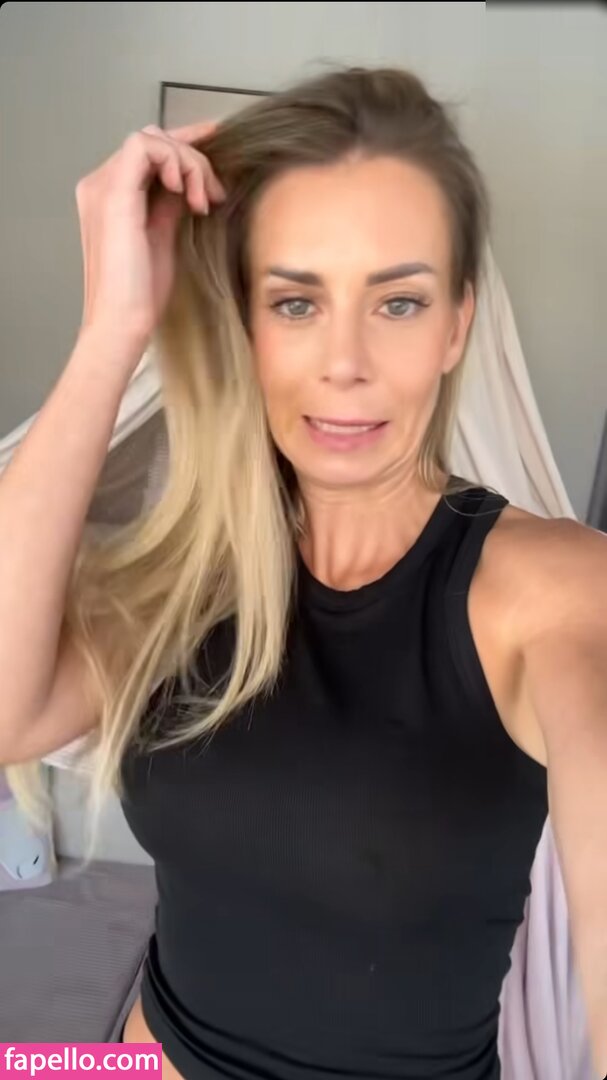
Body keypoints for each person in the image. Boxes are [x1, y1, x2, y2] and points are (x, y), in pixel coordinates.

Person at [1, 65, 606, 1080]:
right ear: (244, 324)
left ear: (456, 323)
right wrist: (111, 330)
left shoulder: (555, 594)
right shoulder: (187, 570)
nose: (344, 363)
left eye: (398, 303)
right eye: (294, 302)